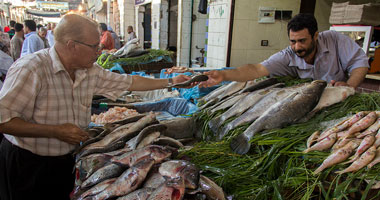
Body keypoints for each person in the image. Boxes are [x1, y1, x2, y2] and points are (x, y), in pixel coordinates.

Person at [0, 14, 191, 200]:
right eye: (94, 46)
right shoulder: (31, 69)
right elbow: (3, 121)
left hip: (66, 161)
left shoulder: (89, 71)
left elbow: (129, 82)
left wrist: (171, 81)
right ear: (72, 45)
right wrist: (55, 131)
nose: (99, 51)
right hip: (27, 163)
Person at [200, 13, 369, 89]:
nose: (297, 47)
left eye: (302, 41)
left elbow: (359, 63)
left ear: (315, 35)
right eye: (293, 41)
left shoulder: (334, 39)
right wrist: (225, 75)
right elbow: (257, 69)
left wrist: (349, 86)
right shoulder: (287, 56)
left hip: (344, 97)